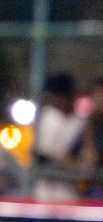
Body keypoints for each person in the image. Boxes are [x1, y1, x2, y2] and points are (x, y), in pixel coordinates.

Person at [33, 73, 85, 202]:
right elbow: (41, 156)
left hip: (72, 189)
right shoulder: (47, 116)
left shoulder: (80, 121)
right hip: (46, 187)